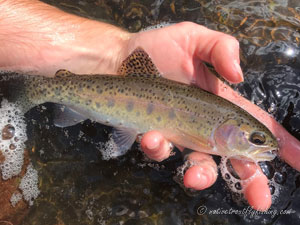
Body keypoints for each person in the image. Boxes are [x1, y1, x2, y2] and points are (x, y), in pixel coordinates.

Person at [1, 0, 300, 212]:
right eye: (256, 139)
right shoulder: (208, 137)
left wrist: (116, 51)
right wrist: (116, 53)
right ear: (229, 130)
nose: (264, 147)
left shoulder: (218, 127)